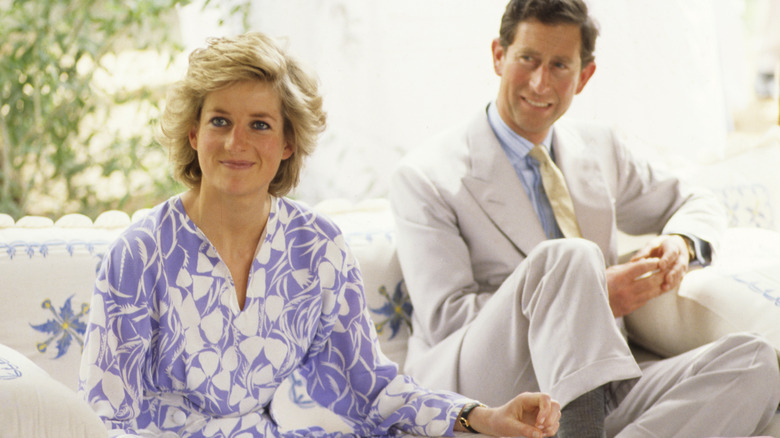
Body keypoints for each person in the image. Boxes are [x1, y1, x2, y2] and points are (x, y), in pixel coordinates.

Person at [77, 32, 562, 437]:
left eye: (259, 125)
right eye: (219, 121)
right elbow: (107, 415)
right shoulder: (139, 254)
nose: (235, 142)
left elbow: (366, 386)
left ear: (288, 143)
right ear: (192, 134)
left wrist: (480, 417)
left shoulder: (317, 246)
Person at [389, 1, 780, 437]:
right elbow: (448, 319)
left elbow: (694, 199)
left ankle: (583, 425)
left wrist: (682, 243)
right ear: (499, 55)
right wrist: (586, 299)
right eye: (528, 59)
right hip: (481, 390)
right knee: (573, 260)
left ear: (584, 75)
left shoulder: (600, 148)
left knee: (755, 361)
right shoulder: (426, 175)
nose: (540, 82)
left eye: (559, 65)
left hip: (600, 387)